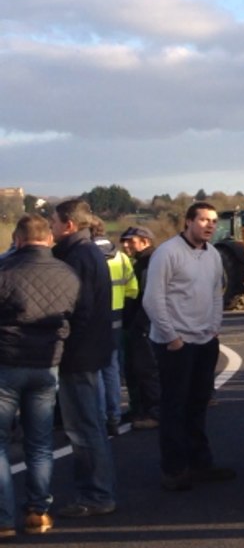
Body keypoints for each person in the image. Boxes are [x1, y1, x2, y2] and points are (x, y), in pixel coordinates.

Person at [143, 201, 235, 491]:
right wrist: (172, 337)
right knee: (174, 407)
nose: (210, 225)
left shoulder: (214, 256)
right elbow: (152, 299)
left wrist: (214, 327)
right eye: (204, 220)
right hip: (176, 344)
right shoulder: (167, 253)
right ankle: (174, 469)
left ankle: (200, 463)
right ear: (188, 222)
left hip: (205, 341)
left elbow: (216, 293)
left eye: (213, 221)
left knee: (198, 405)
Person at [0, 215, 78, 536]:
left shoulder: (4, 271)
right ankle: (38, 512)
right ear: (48, 240)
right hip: (47, 365)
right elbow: (76, 316)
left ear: (17, 240)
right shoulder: (68, 273)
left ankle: (3, 519)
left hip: (6, 363)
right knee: (40, 443)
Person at [49, 199, 118, 516]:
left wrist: (61, 341)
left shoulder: (76, 257)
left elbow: (77, 311)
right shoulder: (88, 252)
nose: (51, 228)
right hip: (91, 349)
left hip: (79, 354)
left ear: (69, 225)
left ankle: (95, 495)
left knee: (84, 428)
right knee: (88, 425)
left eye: (54, 222)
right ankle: (96, 491)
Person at [90, 218, 135, 437]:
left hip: (93, 319)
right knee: (112, 368)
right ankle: (114, 417)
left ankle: (99, 418)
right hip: (116, 317)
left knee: (95, 370)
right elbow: (132, 289)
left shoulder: (86, 256)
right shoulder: (122, 257)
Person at [119, 226, 161, 430]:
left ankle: (154, 412)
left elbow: (148, 297)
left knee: (147, 369)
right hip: (138, 324)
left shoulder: (150, 263)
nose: (126, 245)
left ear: (145, 241)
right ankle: (140, 409)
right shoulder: (141, 262)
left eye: (131, 241)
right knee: (136, 369)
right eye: (124, 241)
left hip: (145, 325)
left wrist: (141, 325)